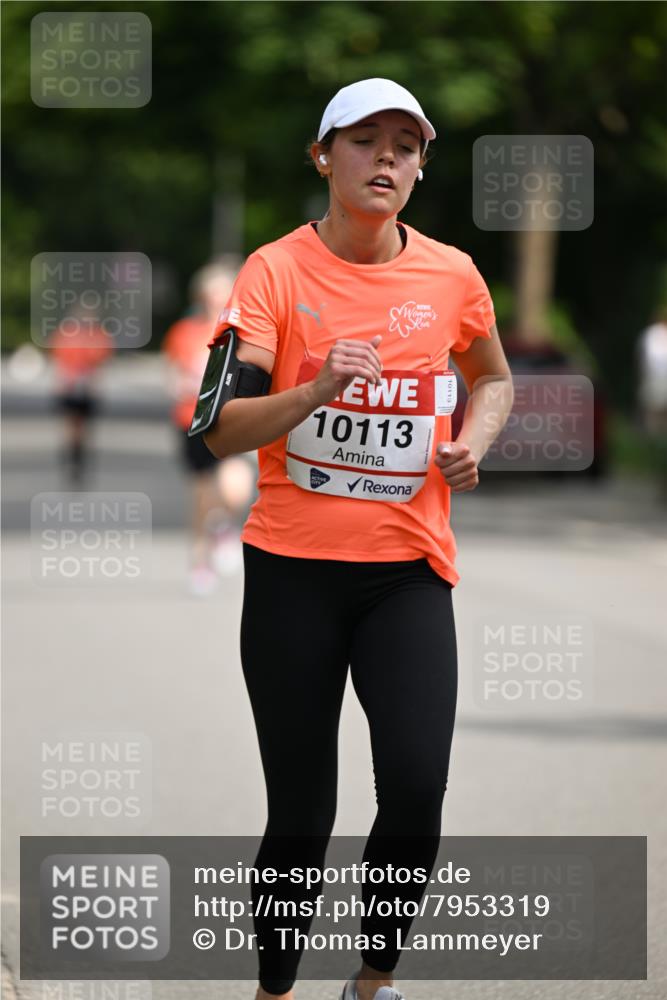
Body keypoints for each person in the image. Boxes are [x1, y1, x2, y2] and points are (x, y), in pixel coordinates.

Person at [203, 78, 514, 1000]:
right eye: (365, 139)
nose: (387, 158)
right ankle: (274, 990)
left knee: (417, 787)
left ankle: (370, 984)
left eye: (406, 146)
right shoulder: (274, 272)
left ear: (418, 170)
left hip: (405, 576)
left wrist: (473, 442)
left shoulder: (452, 275)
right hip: (292, 571)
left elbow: (491, 379)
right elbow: (220, 428)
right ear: (322, 155)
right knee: (300, 811)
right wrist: (313, 391)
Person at [162, 260, 256, 594]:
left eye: (223, 293)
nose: (217, 300)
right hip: (193, 420)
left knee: (237, 487)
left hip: (231, 418)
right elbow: (172, 377)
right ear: (201, 296)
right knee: (202, 494)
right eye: (211, 294)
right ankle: (200, 561)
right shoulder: (184, 332)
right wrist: (186, 384)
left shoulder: (243, 332)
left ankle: (222, 525)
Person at [49, 301, 114, 483]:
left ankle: (79, 456)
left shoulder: (98, 335)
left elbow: (101, 362)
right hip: (70, 386)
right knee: (72, 425)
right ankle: (72, 455)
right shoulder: (66, 334)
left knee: (83, 427)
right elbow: (59, 361)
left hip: (87, 387)